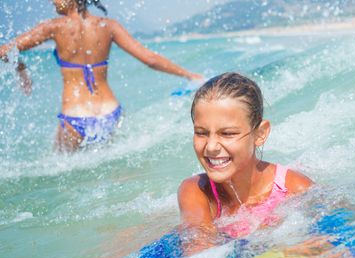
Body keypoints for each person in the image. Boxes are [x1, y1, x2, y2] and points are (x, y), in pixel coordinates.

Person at [0, 0, 203, 151]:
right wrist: (188, 74)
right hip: (110, 112)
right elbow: (149, 59)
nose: (52, 2)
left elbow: (4, 51)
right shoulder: (108, 26)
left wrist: (20, 69)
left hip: (74, 116)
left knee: (66, 182)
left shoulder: (54, 27)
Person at [177, 72, 313, 254]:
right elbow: (198, 247)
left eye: (227, 134)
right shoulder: (197, 191)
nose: (210, 147)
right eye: (201, 133)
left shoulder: (294, 188)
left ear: (260, 134)